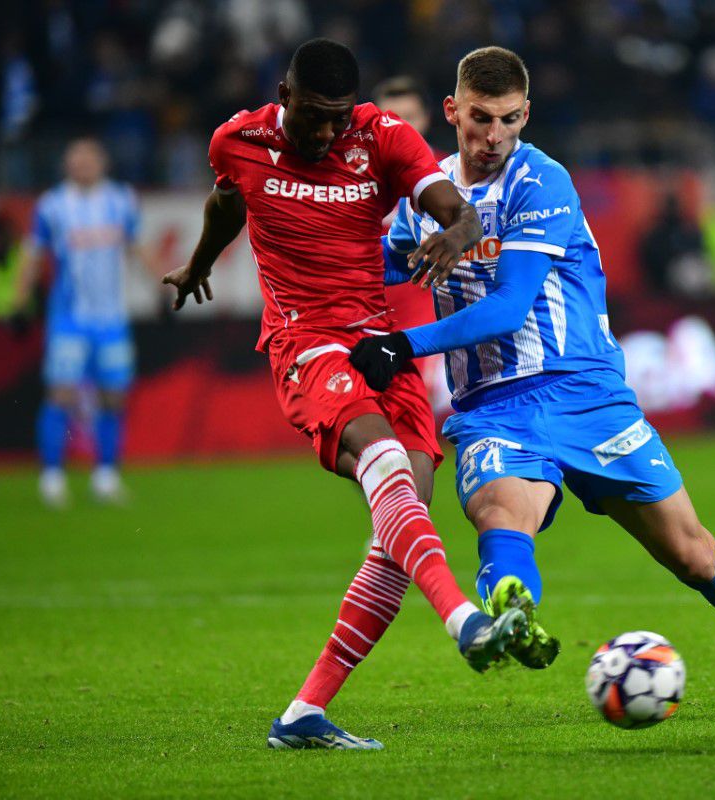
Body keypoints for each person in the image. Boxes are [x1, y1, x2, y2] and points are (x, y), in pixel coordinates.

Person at [351, 47, 715, 718]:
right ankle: (514, 609)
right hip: (494, 407)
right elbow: (377, 264)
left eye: (510, 120)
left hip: (584, 393)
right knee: (498, 512)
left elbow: (509, 308)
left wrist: (401, 345)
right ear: (453, 112)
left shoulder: (540, 181)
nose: (494, 137)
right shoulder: (424, 200)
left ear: (526, 115)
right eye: (481, 119)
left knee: (693, 555)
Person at [160, 39, 526, 752]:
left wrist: (459, 231)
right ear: (284, 97)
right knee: (384, 465)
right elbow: (228, 200)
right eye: (314, 116)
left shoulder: (381, 136)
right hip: (305, 342)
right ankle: (463, 620)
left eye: (339, 117)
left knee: (399, 527)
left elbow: (455, 208)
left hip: (375, 344)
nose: (327, 132)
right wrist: (199, 264)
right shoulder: (238, 141)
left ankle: (304, 713)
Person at [14, 137, 147, 507]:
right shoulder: (52, 205)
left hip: (112, 319)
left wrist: (161, 291)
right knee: (61, 394)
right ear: (66, 165)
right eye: (76, 160)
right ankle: (52, 477)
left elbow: (137, 248)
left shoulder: (122, 200)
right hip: (68, 319)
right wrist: (19, 302)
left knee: (113, 396)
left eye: (89, 159)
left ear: (102, 163)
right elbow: (32, 255)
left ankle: (106, 476)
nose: (83, 165)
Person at [372, 76, 447, 411]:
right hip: (365, 312)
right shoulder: (352, 178)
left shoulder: (450, 173)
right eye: (391, 119)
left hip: (426, 313)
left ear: (426, 119)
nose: (401, 127)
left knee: (417, 409)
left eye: (409, 117)